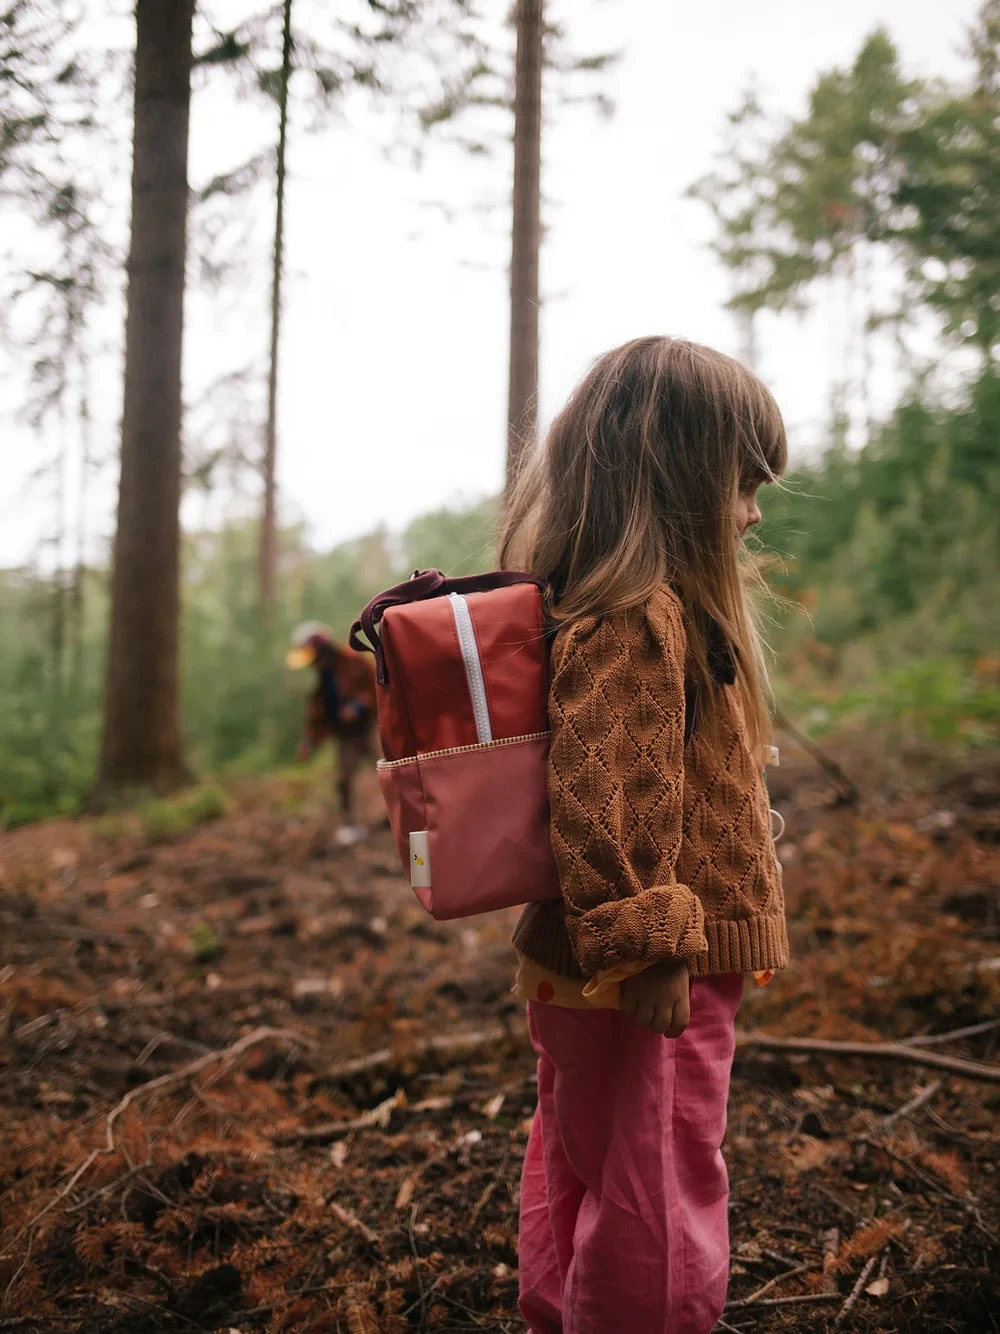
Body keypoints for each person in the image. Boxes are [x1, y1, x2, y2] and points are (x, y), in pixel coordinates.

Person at [499, 336, 790, 1334]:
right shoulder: (636, 620)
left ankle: (562, 1311)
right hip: (645, 967)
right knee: (657, 1179)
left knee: (585, 1155)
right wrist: (651, 949)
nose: (753, 510)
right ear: (674, 474)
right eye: (741, 482)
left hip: (606, 959)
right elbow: (605, 796)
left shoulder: (619, 611)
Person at [286, 622, 379, 846]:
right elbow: (318, 714)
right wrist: (309, 741)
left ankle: (406, 818)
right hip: (344, 735)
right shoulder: (323, 677)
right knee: (344, 780)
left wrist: (358, 705)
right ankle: (352, 826)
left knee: (388, 770)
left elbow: (376, 685)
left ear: (322, 647)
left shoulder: (353, 661)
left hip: (369, 729)